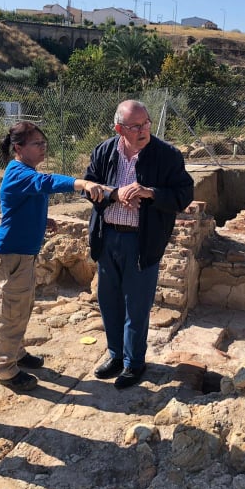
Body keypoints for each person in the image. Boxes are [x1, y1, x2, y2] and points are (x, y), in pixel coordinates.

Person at [84, 100, 194, 389]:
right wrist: (112, 195)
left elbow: (183, 195)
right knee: (108, 301)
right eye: (136, 126)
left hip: (142, 240)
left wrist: (150, 193)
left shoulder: (167, 155)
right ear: (120, 128)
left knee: (137, 305)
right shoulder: (105, 151)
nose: (144, 129)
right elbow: (88, 187)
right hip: (107, 237)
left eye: (146, 122)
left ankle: (134, 363)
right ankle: (115, 355)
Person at [0, 121, 105, 391]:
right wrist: (82, 183)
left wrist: (44, 220)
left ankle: (16, 354)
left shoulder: (25, 170)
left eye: (44, 143)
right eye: (37, 144)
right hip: (11, 254)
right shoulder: (18, 171)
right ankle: (6, 370)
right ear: (18, 148)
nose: (43, 148)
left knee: (22, 307)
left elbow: (26, 202)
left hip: (22, 253)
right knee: (12, 312)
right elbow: (46, 183)